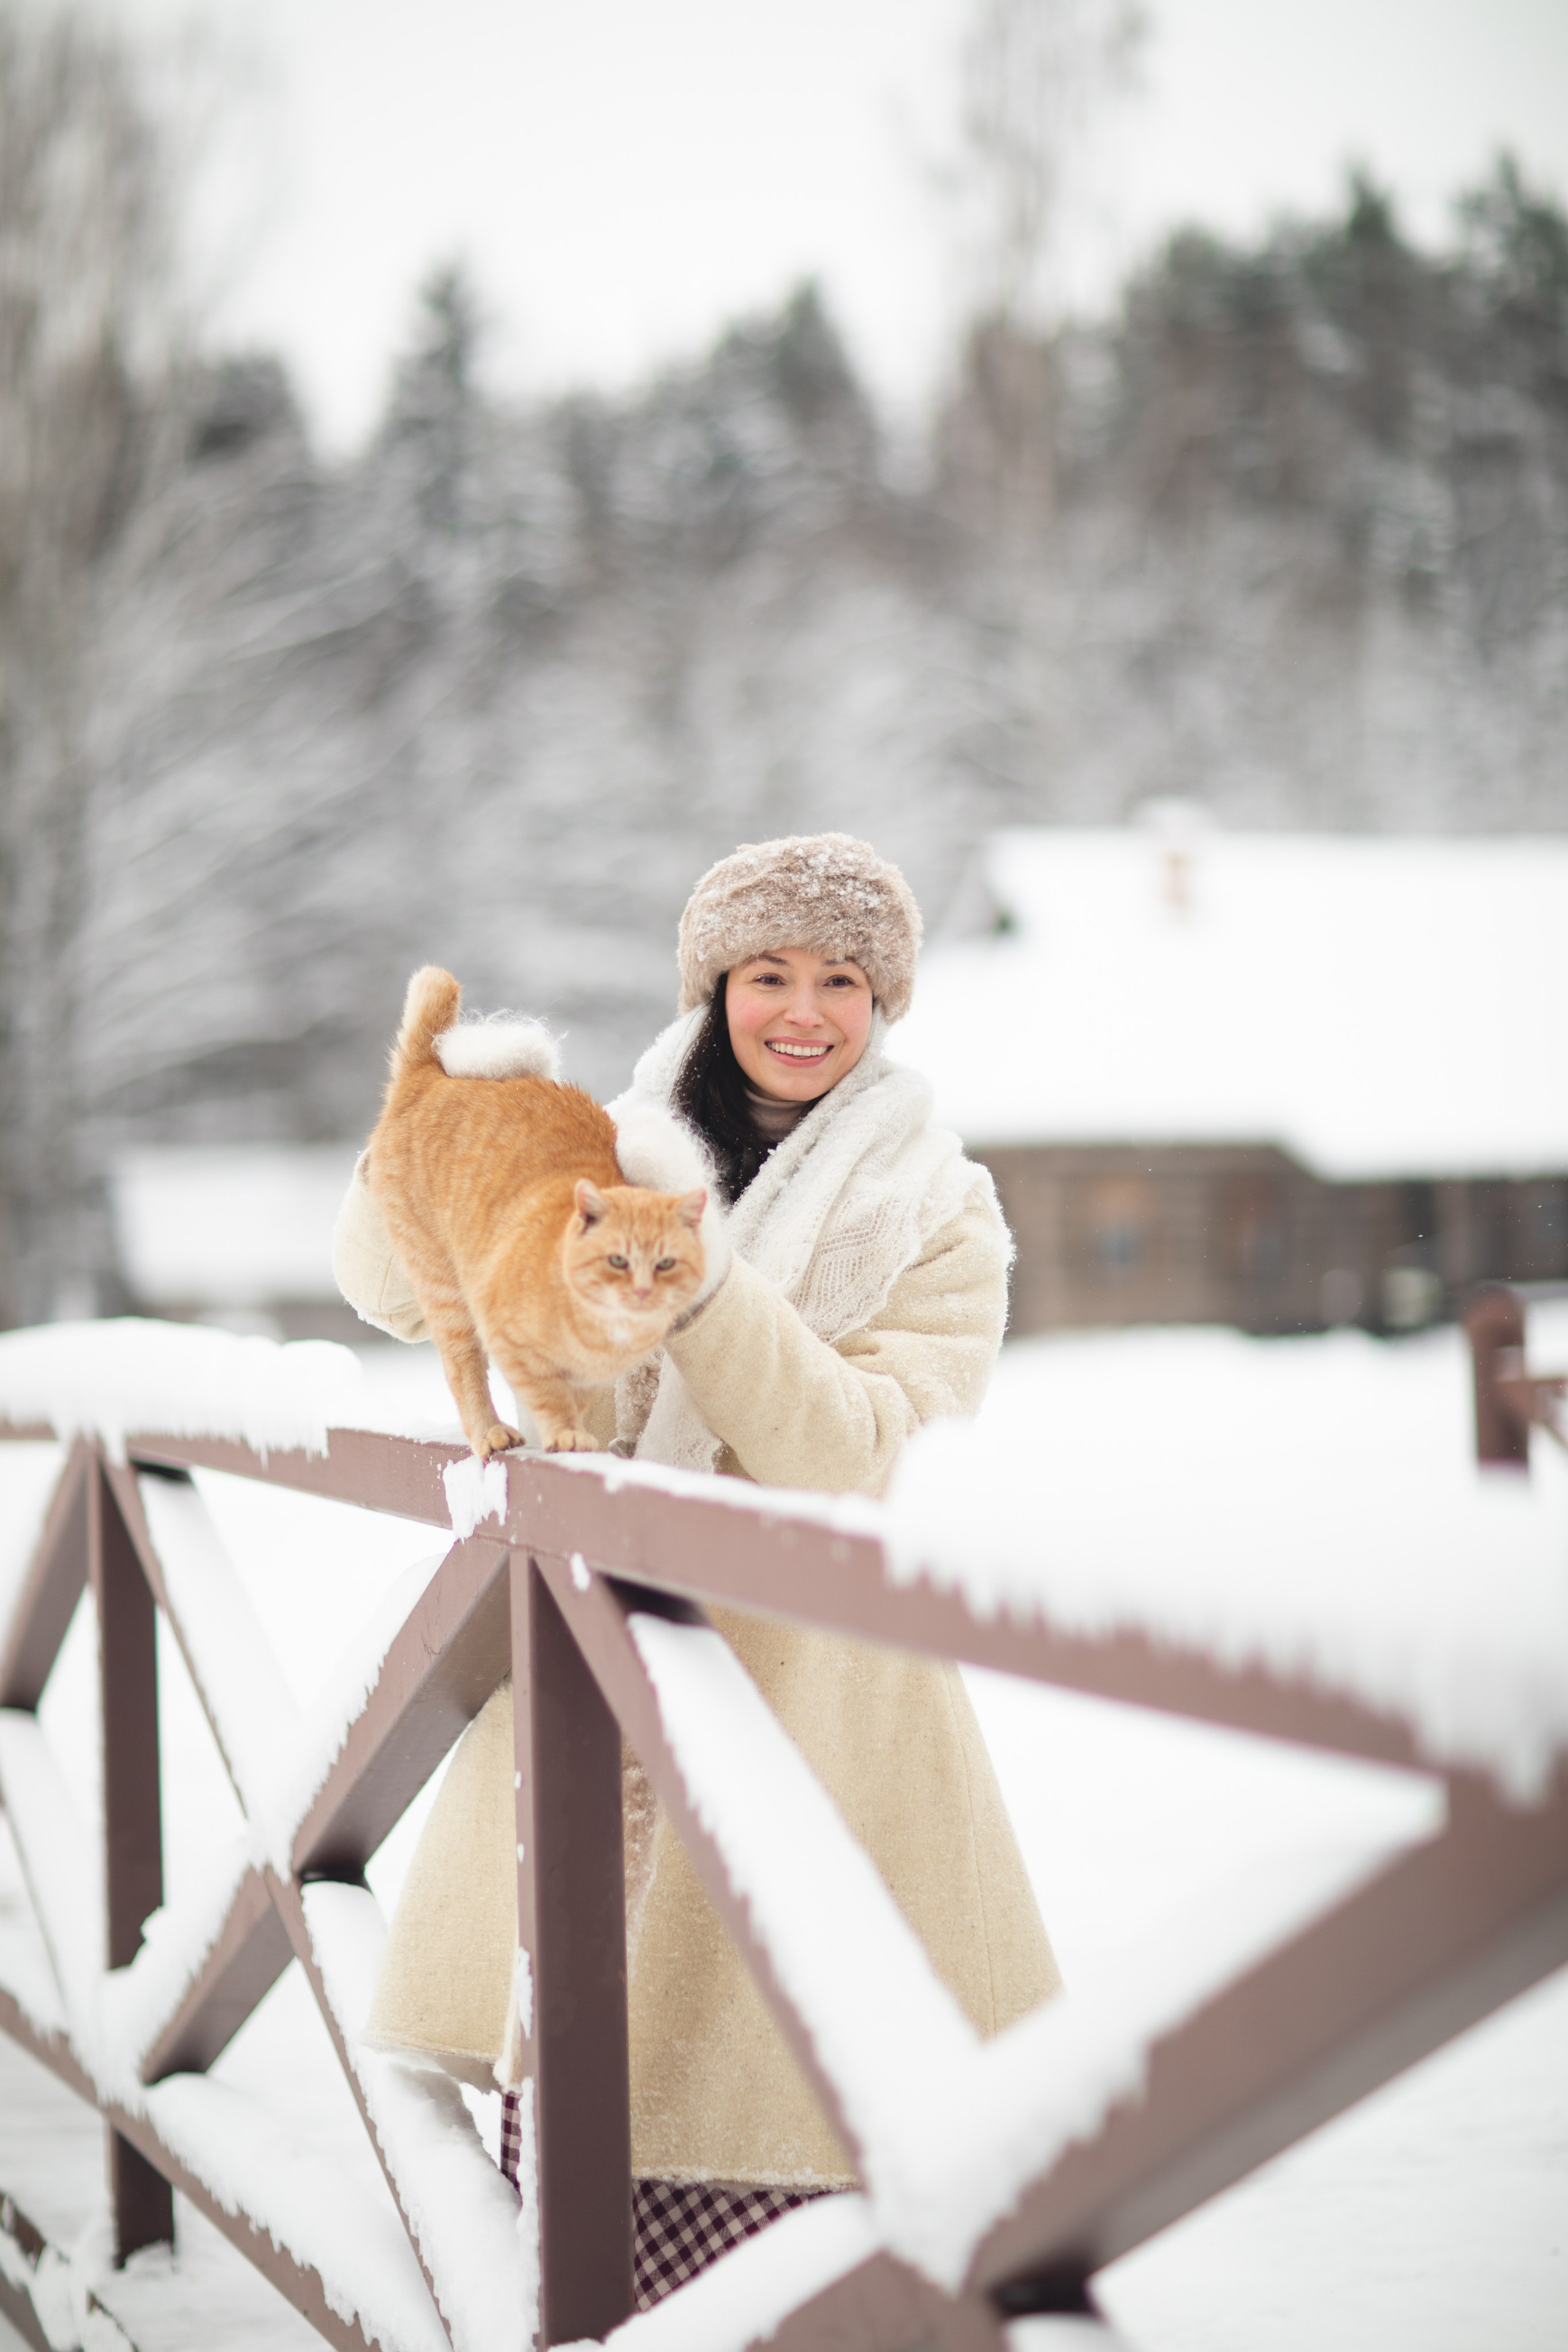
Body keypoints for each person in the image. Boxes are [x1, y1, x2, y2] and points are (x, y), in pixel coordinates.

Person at [331, 832, 1061, 2308]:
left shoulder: (940, 1207)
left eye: (842, 978)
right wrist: (430, 1125)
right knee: (587, 2126)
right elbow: (394, 1289)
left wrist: (707, 1279)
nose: (803, 1010)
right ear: (714, 988)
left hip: (819, 1709)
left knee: (791, 2131)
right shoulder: (596, 1150)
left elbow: (845, 1449)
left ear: (883, 1000)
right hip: (595, 1680)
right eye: (766, 973)